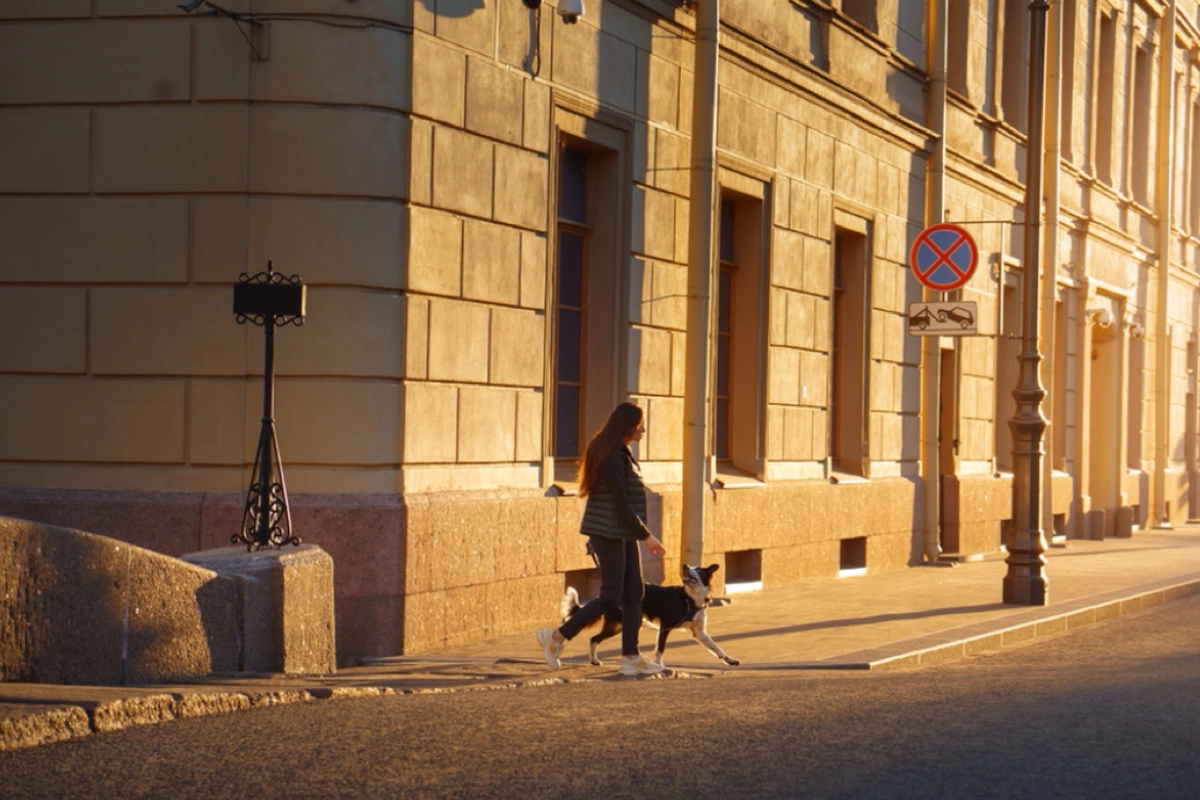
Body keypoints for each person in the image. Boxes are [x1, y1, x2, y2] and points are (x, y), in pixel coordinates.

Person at [536, 401, 667, 676]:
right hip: (610, 533)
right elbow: (620, 503)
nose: (643, 430)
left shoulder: (617, 452)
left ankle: (630, 657)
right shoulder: (612, 456)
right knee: (611, 595)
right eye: (639, 425)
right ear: (627, 427)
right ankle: (556, 637)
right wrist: (647, 536)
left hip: (619, 531)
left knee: (635, 593)